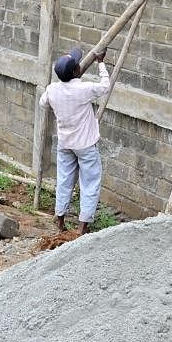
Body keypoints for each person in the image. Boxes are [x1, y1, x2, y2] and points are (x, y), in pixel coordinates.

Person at [39, 47, 110, 235]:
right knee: (90, 183)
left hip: (65, 144)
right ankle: (82, 227)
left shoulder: (52, 90)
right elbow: (105, 86)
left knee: (64, 181)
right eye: (78, 64)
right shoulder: (84, 89)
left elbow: (43, 103)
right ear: (77, 71)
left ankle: (60, 220)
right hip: (85, 146)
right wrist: (100, 63)